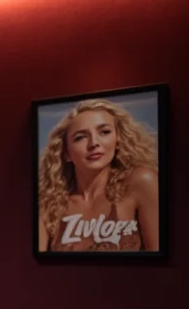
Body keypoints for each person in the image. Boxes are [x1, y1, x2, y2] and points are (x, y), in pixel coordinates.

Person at [37, 98, 159, 252]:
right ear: (66, 152)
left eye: (104, 132)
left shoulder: (141, 182)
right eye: (80, 137)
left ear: (118, 141)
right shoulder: (49, 201)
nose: (94, 143)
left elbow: (163, 260)